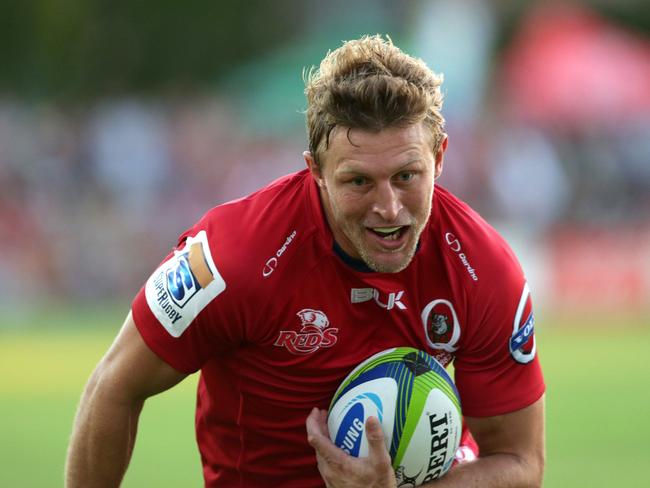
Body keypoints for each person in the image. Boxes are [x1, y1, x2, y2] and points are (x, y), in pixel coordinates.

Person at [65, 35, 545, 487]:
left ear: (439, 157)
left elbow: (520, 461)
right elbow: (114, 387)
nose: (390, 208)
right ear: (314, 169)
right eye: (359, 181)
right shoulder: (234, 257)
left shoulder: (484, 269)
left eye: (406, 175)